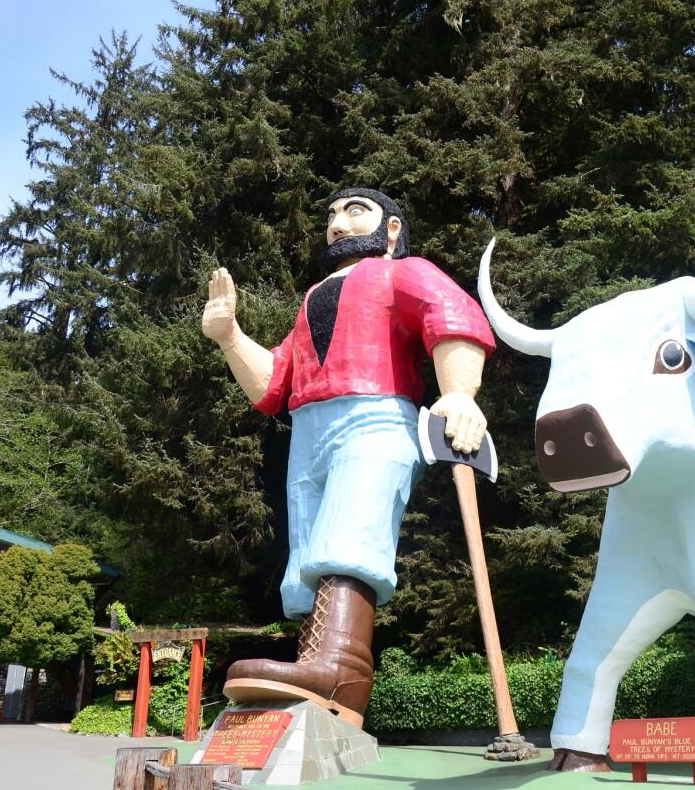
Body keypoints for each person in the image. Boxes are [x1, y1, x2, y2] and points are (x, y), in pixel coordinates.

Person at [201, 188, 495, 724]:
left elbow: (450, 313)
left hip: (376, 413)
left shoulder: (402, 272)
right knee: (310, 544)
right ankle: (322, 671)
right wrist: (230, 338)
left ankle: (340, 666)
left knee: (351, 527)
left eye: (354, 211)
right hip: (308, 427)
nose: (337, 223)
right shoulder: (312, 297)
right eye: (331, 215)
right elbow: (272, 385)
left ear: (392, 229)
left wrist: (458, 393)